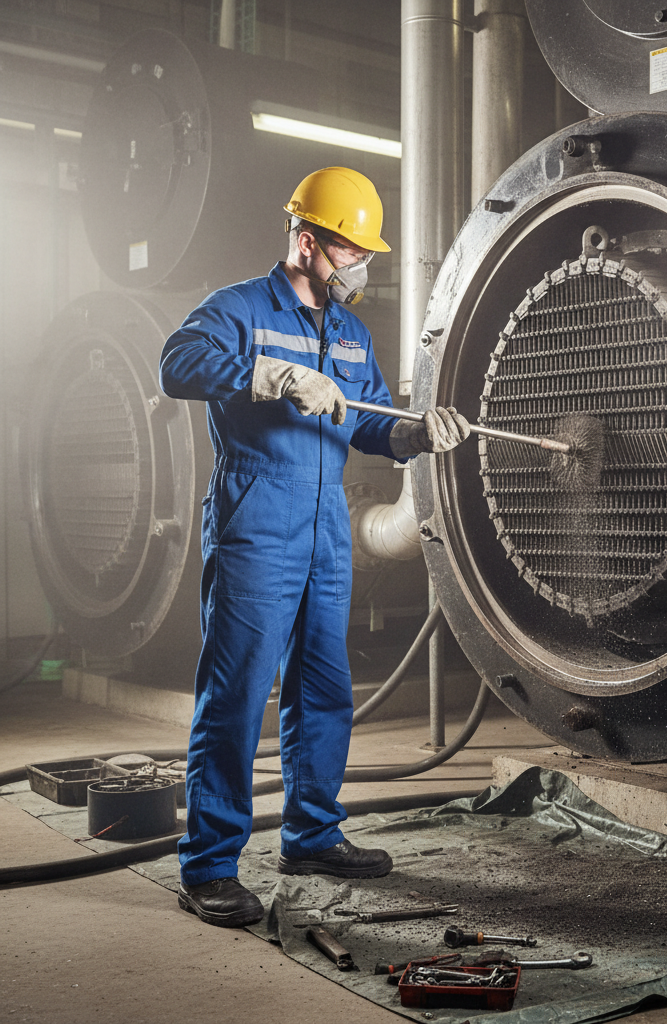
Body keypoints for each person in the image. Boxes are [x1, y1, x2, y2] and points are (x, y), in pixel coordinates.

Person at [159, 166, 471, 928]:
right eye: (349, 252)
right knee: (235, 698)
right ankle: (208, 868)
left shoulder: (350, 330)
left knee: (325, 690)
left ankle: (311, 835)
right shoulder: (236, 309)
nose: (360, 268)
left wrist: (413, 432)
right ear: (306, 243)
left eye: (365, 255)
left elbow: (364, 422)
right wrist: (272, 374)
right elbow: (177, 365)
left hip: (327, 528)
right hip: (256, 523)